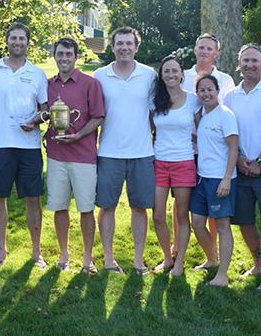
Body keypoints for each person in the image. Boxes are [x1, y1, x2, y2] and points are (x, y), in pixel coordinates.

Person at [0, 23, 48, 268]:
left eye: (22, 39)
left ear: (28, 43)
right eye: (13, 38)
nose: (17, 42)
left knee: (33, 200)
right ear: (6, 42)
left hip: (29, 147)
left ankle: (37, 252)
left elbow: (46, 110)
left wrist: (35, 121)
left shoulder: (37, 73)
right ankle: (1, 251)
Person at [93, 26, 157, 275]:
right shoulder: (99, 75)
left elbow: (154, 113)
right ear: (112, 46)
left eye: (129, 43)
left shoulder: (149, 75)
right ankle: (109, 259)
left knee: (140, 207)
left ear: (136, 47)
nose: (124, 48)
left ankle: (138, 260)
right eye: (120, 43)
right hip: (109, 152)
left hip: (142, 152)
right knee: (106, 206)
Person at [224, 43, 261, 290]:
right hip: (241, 167)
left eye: (255, 60)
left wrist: (260, 161)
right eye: (245, 60)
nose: (250, 64)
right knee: (245, 220)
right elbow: (229, 133)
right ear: (239, 65)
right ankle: (259, 263)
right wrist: (238, 160)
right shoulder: (230, 96)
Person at [44, 37, 104, 273]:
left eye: (69, 54)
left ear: (76, 57)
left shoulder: (90, 84)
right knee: (59, 207)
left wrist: (78, 135)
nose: (64, 58)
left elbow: (98, 116)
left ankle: (88, 258)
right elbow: (43, 113)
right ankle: (64, 254)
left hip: (83, 156)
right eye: (60, 54)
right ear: (55, 56)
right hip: (56, 155)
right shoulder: (48, 84)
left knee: (86, 209)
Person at [176, 33, 236, 262]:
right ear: (195, 49)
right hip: (189, 150)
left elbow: (227, 119)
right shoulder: (184, 76)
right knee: (184, 204)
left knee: (215, 212)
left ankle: (216, 256)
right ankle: (179, 248)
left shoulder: (226, 80)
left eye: (209, 48)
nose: (204, 51)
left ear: (216, 53)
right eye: (201, 47)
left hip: (217, 157)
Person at [150, 55, 200, 276]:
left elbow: (203, 130)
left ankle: (180, 261)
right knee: (158, 215)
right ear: (161, 75)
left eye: (174, 71)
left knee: (181, 215)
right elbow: (152, 129)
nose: (170, 75)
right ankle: (168, 258)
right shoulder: (155, 100)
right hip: (159, 162)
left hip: (184, 162)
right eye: (166, 71)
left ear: (182, 74)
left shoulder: (193, 100)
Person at [190, 74, 238, 286]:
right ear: (197, 93)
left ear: (217, 91)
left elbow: (233, 147)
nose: (206, 93)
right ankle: (211, 259)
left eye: (210, 89)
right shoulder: (202, 115)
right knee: (198, 223)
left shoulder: (225, 115)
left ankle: (223, 275)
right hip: (202, 178)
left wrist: (227, 178)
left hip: (220, 179)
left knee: (222, 226)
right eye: (202, 90)